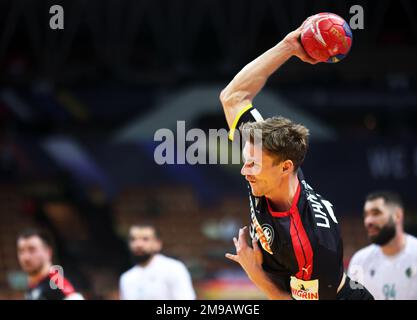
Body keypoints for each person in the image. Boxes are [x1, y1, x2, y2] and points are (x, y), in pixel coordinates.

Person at [220, 24, 373, 300]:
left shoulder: (311, 243)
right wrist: (288, 46)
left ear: (286, 167)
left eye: (252, 165)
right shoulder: (267, 159)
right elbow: (233, 97)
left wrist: (254, 273)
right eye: (245, 161)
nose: (244, 171)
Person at [348, 191, 417, 300]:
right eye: (366, 215)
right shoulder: (359, 260)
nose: (368, 221)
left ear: (397, 215)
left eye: (376, 213)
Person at [119, 224, 196, 300]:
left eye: (145, 239)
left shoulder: (173, 269)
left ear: (158, 244)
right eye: (133, 239)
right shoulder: (126, 278)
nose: (138, 244)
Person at [17, 228, 84, 300]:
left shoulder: (58, 282)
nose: (26, 257)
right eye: (21, 251)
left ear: (48, 253)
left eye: (32, 250)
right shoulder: (33, 285)